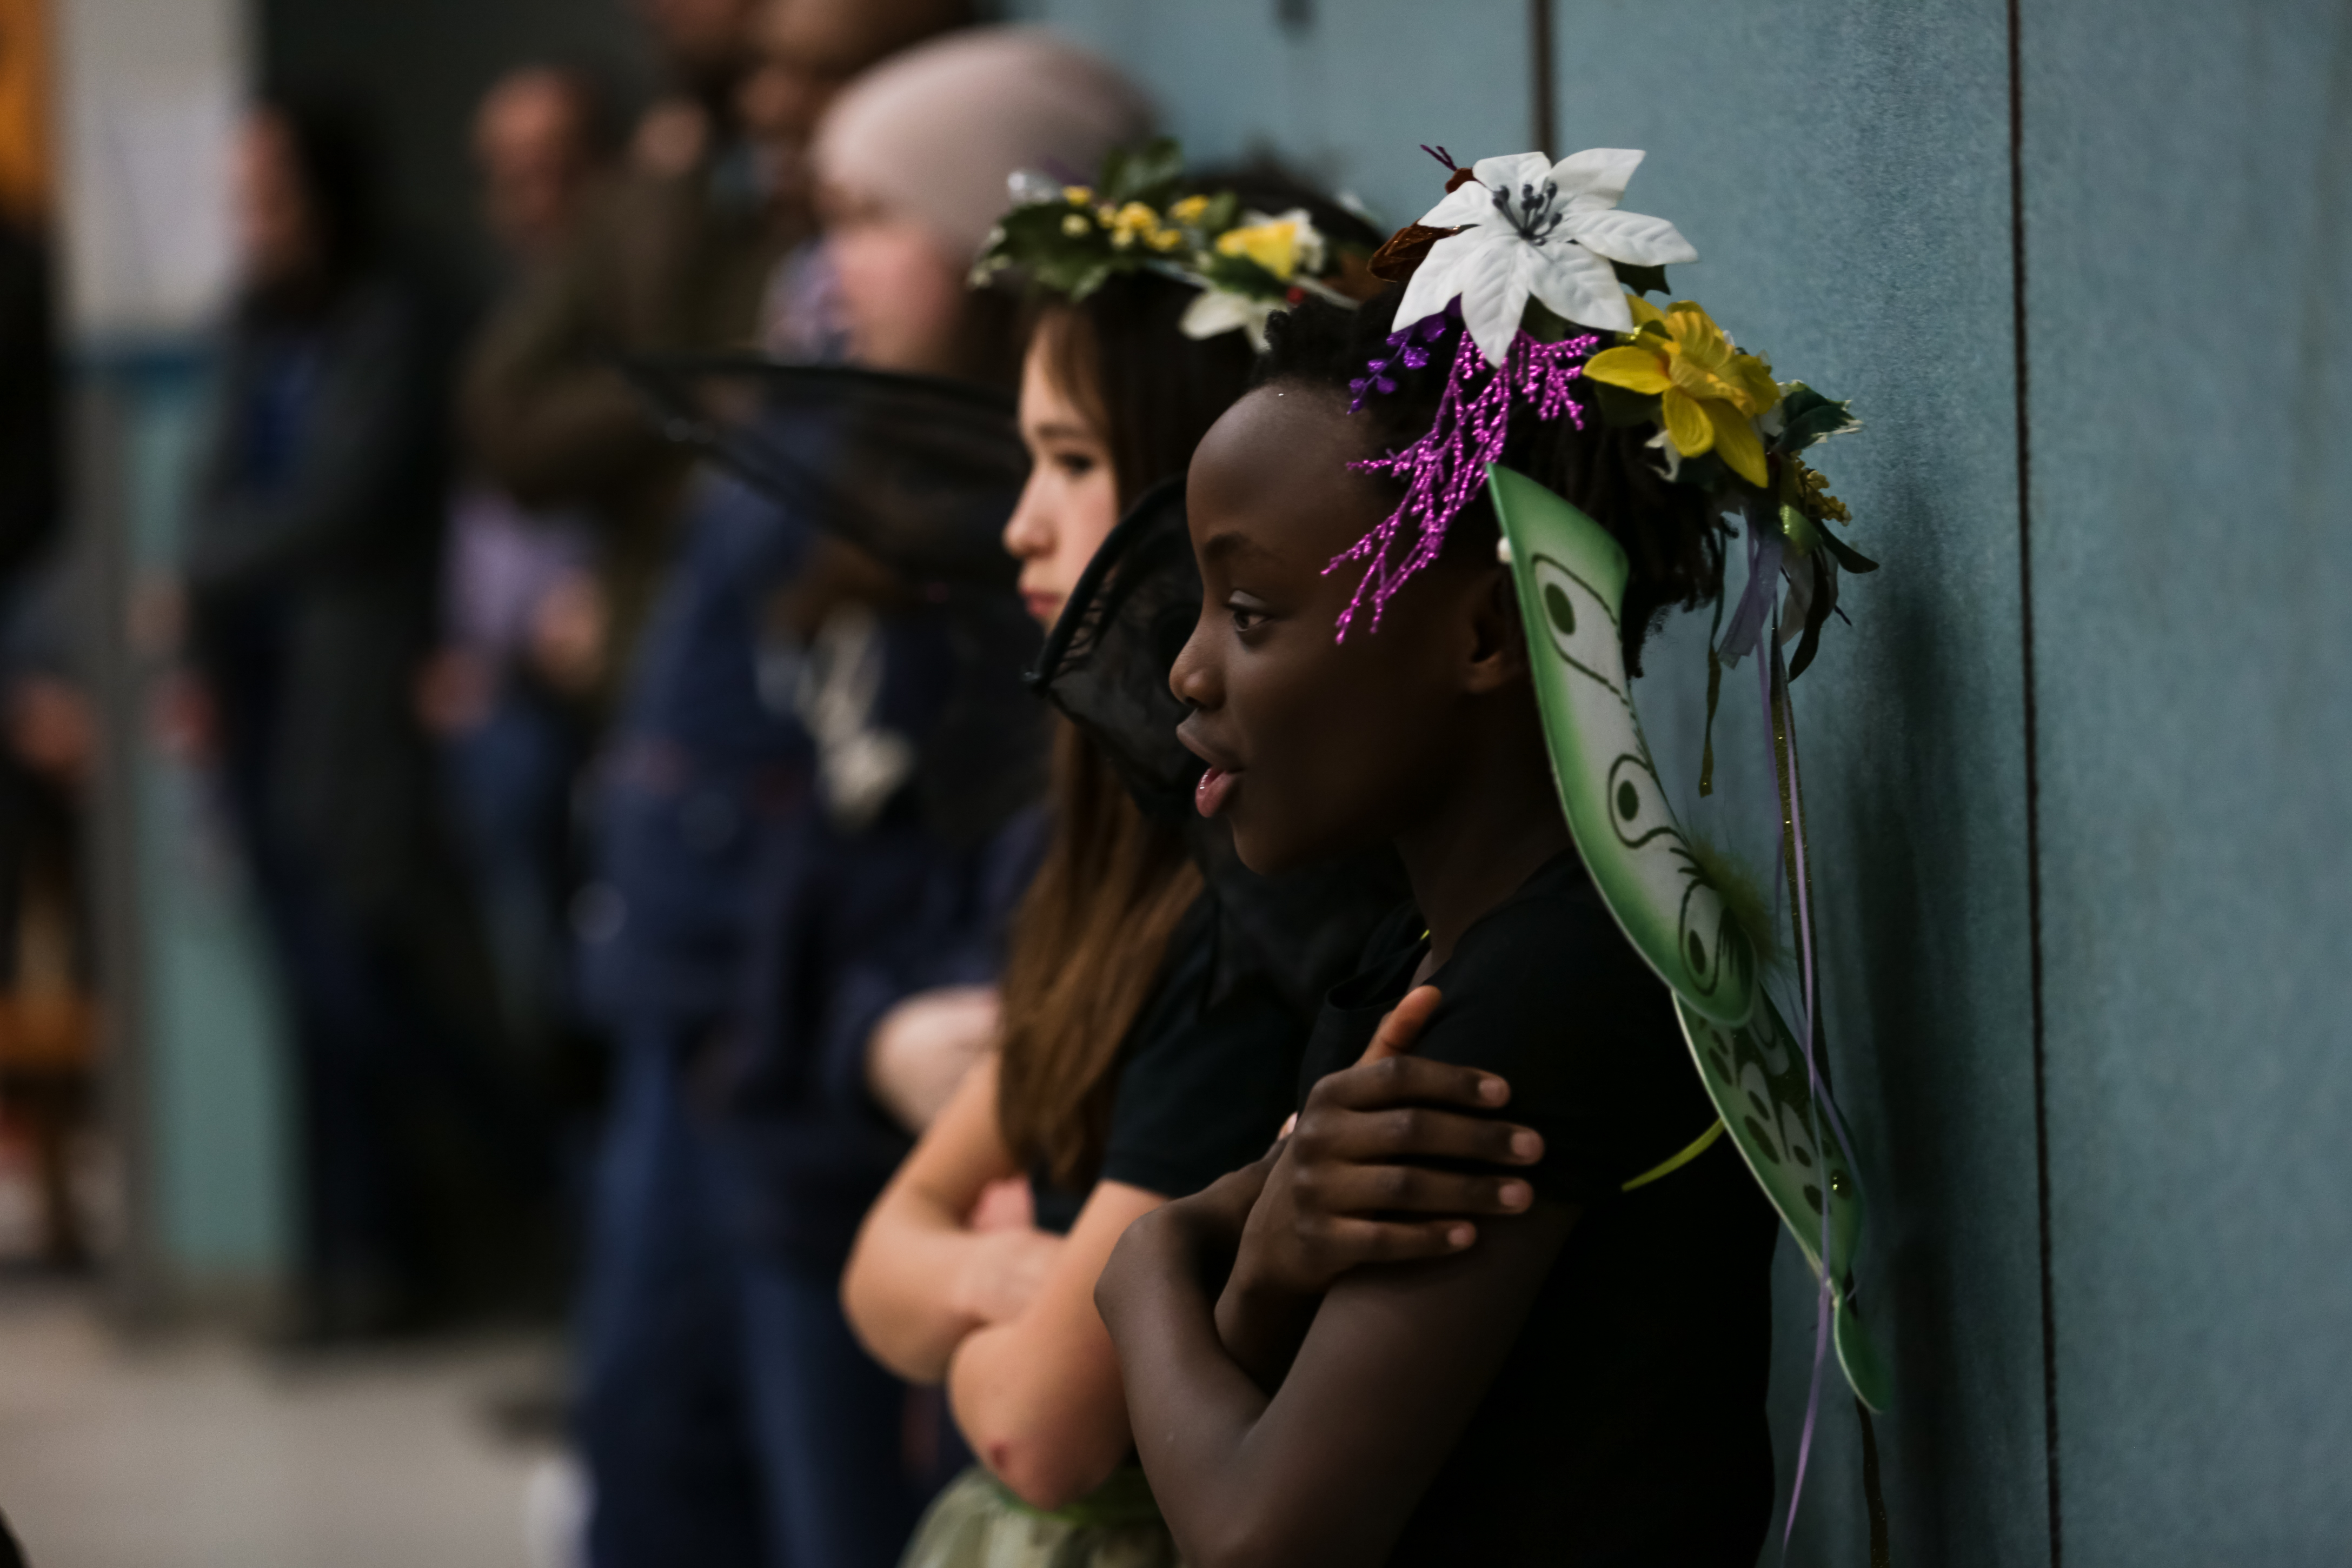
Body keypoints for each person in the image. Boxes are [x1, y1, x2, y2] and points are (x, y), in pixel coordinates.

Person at [1092, 152, 1797, 1564]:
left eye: (1247, 610)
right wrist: (1257, 1260)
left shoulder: (1541, 999)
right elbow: (1264, 1382)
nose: (1181, 669)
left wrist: (1146, 1261)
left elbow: (1255, 1537)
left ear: (1481, 635)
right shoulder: (1419, 967)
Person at [569, 23, 1142, 1568]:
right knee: (677, 1456)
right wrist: (864, 1020)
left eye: (877, 217)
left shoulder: (1019, 574)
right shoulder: (843, 452)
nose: (835, 265)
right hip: (784, 1067)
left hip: (875, 1108)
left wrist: (896, 1020)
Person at [839, 147, 1386, 1568]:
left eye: (1072, 463)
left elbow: (1042, 1427)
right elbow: (875, 1261)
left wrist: (978, 1328)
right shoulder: (1105, 873)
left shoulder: (1247, 924)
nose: (1020, 519)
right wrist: (988, 1272)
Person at [180, 97, 539, 1337]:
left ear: (330, 194)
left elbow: (339, 501)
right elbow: (215, 489)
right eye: (244, 200)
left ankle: (511, 1218)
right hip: (260, 691)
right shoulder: (253, 325)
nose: (255, 223)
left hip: (365, 694)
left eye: (273, 196)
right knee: (308, 991)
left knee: (375, 976)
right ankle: (362, 1261)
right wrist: (209, 585)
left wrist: (201, 571)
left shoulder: (396, 312)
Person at [420, 67, 617, 1086]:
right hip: (502, 698)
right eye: (510, 176)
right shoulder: (504, 323)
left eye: (558, 170)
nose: (535, 200)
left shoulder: (638, 316)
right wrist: (460, 645)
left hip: (609, 706)